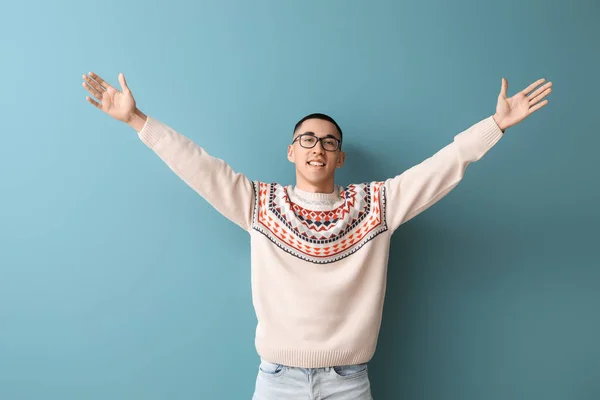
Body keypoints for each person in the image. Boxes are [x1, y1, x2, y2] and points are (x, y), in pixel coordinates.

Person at [81, 71, 552, 399]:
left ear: (340, 159)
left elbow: (442, 167)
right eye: (307, 139)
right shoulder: (259, 204)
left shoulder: (377, 206)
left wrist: (495, 126)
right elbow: (198, 166)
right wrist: (138, 120)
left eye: (329, 142)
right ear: (290, 152)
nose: (318, 147)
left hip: (349, 382)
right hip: (277, 381)